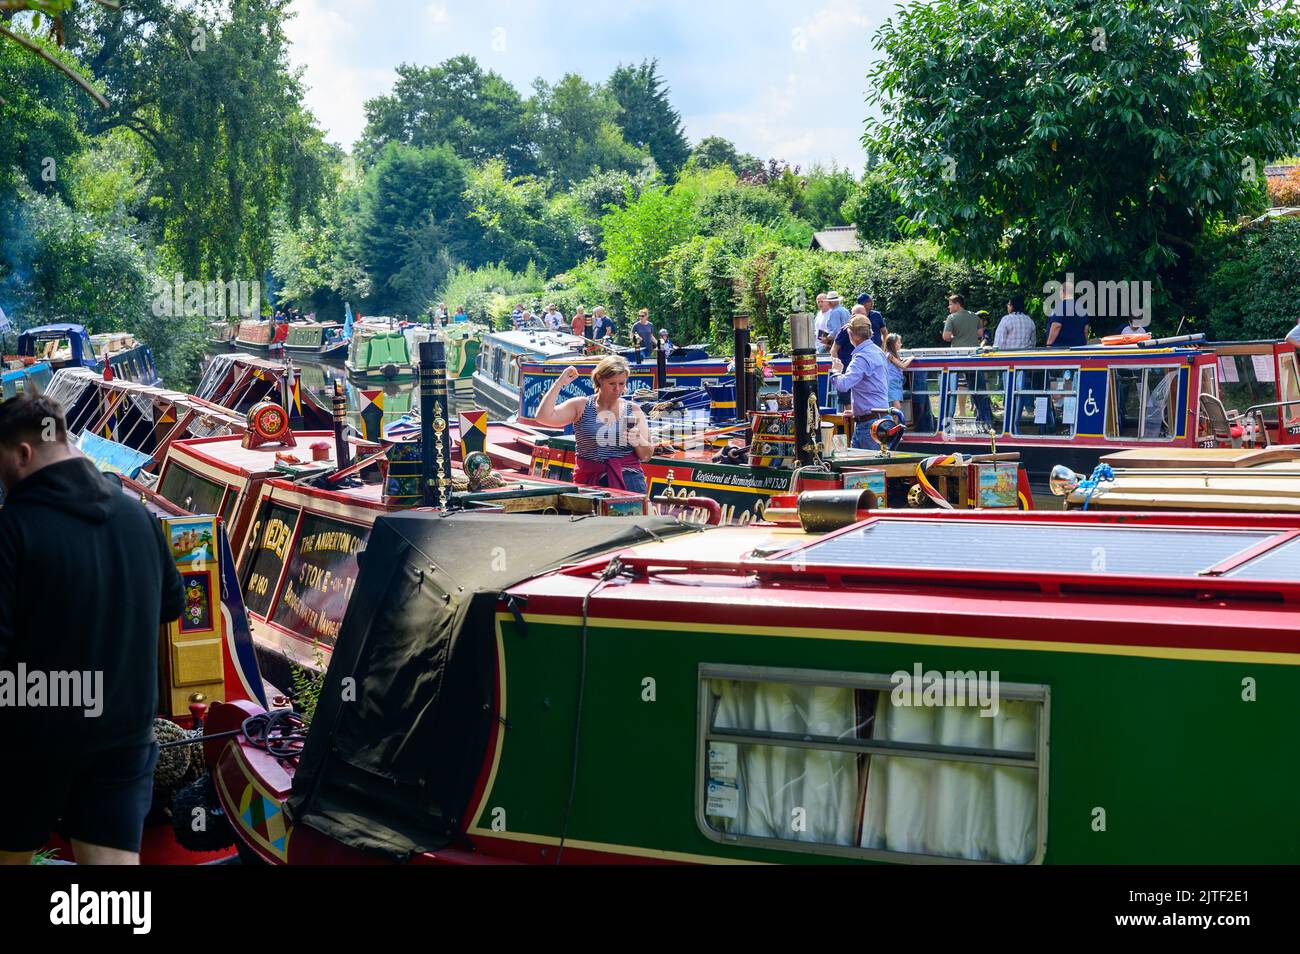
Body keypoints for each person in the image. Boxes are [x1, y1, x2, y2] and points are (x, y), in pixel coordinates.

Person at [0, 396, 185, 865]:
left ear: (22, 455)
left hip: (32, 733)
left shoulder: (12, 530)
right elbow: (172, 608)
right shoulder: (139, 518)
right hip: (124, 730)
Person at [534, 357, 654, 492]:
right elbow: (543, 417)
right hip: (589, 482)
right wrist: (559, 383)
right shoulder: (581, 406)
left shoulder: (634, 410)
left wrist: (638, 440)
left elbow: (646, 456)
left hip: (629, 482)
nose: (617, 389)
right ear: (599, 379)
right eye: (612, 383)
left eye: (621, 383)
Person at [829, 314, 891, 450]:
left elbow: (843, 385)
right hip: (879, 419)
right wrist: (856, 412)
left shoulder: (860, 359)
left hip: (869, 425)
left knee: (867, 468)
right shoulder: (878, 351)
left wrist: (836, 371)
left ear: (852, 336)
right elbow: (877, 385)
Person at [1046, 280, 1090, 347]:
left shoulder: (1060, 306)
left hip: (1062, 349)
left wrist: (1049, 344)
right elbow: (1086, 329)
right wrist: (1085, 345)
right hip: (1079, 349)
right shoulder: (1081, 308)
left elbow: (1056, 325)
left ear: (1062, 292)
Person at [884, 333, 914, 412]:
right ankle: (894, 424)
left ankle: (894, 423)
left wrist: (906, 359)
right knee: (897, 408)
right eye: (899, 342)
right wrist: (911, 358)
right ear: (893, 344)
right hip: (892, 384)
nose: (901, 344)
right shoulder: (890, 355)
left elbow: (899, 363)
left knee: (896, 409)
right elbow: (903, 366)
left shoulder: (894, 355)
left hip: (896, 384)